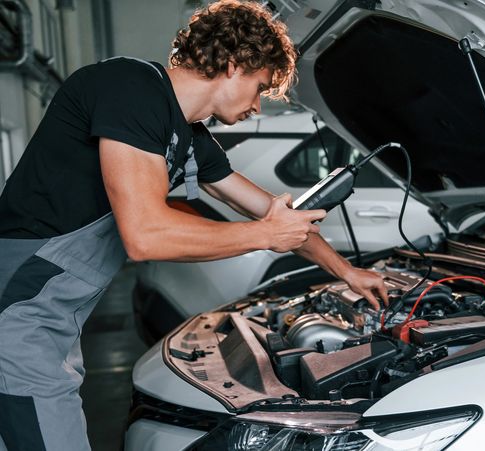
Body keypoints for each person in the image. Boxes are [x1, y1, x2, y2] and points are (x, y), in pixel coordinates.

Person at [0, 1, 388, 449]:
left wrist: (347, 272)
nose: (257, 107)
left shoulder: (188, 138)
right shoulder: (129, 86)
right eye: (259, 87)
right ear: (233, 64)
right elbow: (146, 235)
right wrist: (265, 236)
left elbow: (272, 212)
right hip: (18, 308)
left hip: (55, 318)